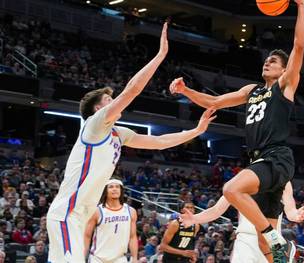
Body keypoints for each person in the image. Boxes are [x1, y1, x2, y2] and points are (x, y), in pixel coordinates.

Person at [46, 22, 216, 263]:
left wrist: (197, 130)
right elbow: (131, 91)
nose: (114, 101)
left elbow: (159, 142)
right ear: (98, 108)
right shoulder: (94, 125)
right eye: (108, 99)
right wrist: (160, 56)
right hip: (66, 213)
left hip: (79, 214)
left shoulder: (118, 133)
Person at [169, 0, 304, 261]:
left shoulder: (285, 86)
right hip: (261, 162)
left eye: (274, 61)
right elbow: (214, 102)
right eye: (267, 59)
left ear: (283, 69)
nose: (268, 62)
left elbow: (299, 45)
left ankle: (273, 235)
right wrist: (186, 91)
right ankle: (273, 242)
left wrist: (300, 6)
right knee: (267, 250)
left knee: (231, 189)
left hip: (276, 157)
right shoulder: (250, 91)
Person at [180, 182, 304, 263]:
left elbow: (290, 211)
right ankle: (287, 249)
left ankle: (286, 248)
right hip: (247, 238)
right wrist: (195, 218)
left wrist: (296, 215)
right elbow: (216, 210)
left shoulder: (283, 181)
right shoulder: (242, 181)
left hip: (272, 239)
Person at [84, 179, 137, 262]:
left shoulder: (131, 211)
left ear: (121, 190)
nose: (114, 189)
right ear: (105, 191)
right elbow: (87, 236)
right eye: (111, 187)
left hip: (119, 258)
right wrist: (82, 257)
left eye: (117, 187)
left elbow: (133, 237)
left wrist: (134, 257)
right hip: (98, 259)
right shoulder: (97, 211)